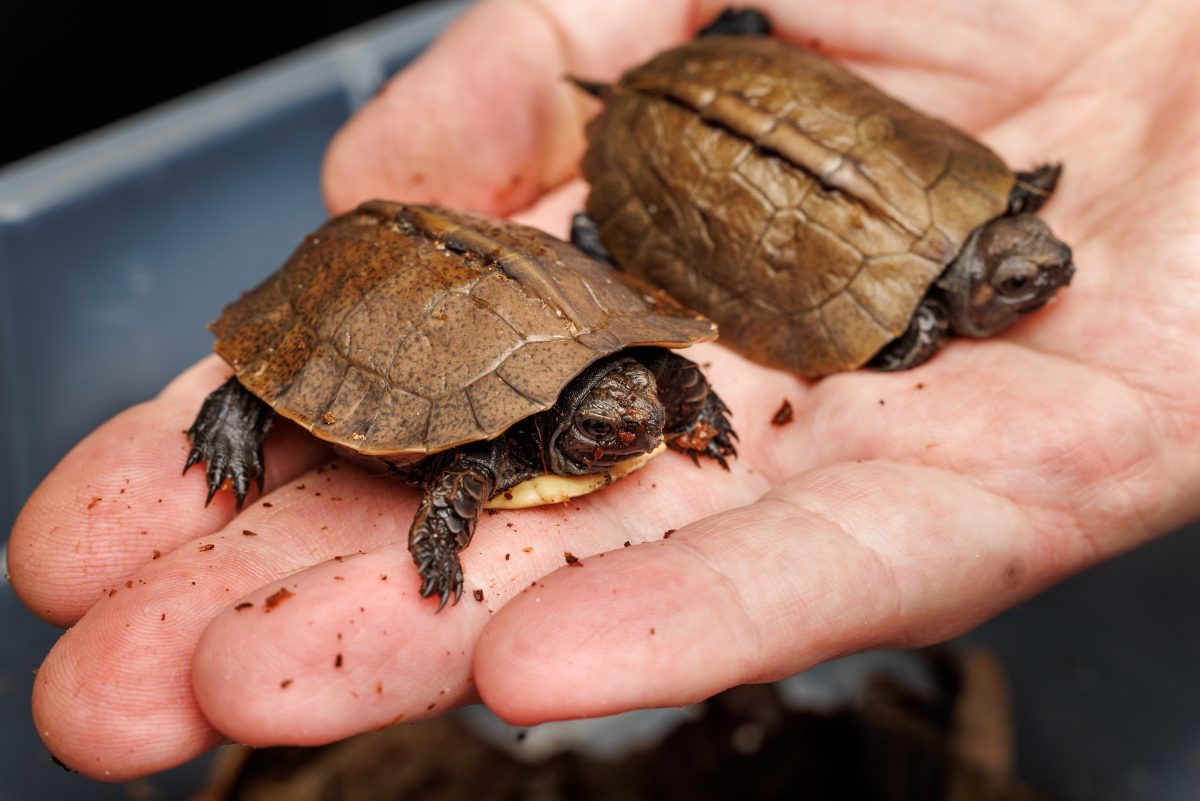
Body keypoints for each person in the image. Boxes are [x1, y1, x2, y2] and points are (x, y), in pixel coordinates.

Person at [8, 0, 1199, 782]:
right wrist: (436, 547)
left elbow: (661, 371)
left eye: (638, 409)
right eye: (614, 421)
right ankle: (237, 404)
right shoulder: (493, 452)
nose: (635, 423)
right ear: (565, 436)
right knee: (259, 408)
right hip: (376, 295)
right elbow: (459, 478)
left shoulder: (638, 389)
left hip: (560, 293)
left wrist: (690, 402)